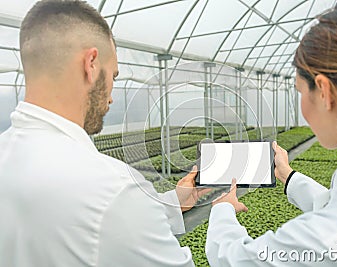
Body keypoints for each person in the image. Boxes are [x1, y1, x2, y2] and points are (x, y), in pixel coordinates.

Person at [0, 1, 209, 266]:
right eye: (114, 76)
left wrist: (171, 204)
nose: (111, 96)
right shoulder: (116, 188)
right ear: (91, 64)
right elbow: (112, 214)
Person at [206, 0, 337, 265]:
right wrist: (288, 175)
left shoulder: (325, 241)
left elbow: (234, 259)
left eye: (299, 91)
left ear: (324, 92)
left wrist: (222, 211)